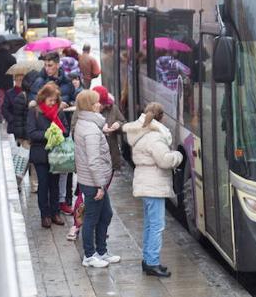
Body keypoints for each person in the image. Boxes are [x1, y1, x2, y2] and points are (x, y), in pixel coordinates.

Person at [123, 102, 183, 277]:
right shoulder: (154, 137)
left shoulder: (140, 132)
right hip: (154, 185)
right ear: (161, 117)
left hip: (145, 182)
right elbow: (164, 160)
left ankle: (148, 259)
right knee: (157, 225)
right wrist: (178, 156)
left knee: (150, 225)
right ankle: (153, 262)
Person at [72, 90, 121, 268]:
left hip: (93, 180)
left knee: (105, 214)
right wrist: (101, 185)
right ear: (89, 106)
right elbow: (93, 161)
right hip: (93, 182)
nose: (99, 104)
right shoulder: (91, 130)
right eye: (96, 102)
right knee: (92, 218)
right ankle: (89, 255)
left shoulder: (87, 123)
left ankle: (101, 251)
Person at [27, 82, 70, 228]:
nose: (53, 103)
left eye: (55, 100)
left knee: (55, 185)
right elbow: (31, 133)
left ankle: (55, 213)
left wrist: (58, 133)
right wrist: (47, 134)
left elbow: (66, 131)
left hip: (56, 154)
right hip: (40, 154)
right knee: (43, 185)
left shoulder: (59, 112)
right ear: (43, 98)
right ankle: (44, 215)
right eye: (50, 100)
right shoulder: (34, 112)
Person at [13, 70, 39, 193]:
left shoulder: (37, 97)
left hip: (34, 135)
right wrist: (20, 137)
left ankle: (35, 186)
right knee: (23, 161)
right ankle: (16, 182)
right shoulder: (21, 97)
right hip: (25, 137)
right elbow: (17, 120)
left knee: (34, 162)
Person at [92, 86, 126, 171]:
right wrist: (101, 130)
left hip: (112, 155)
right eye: (101, 104)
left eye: (104, 104)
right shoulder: (86, 112)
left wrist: (118, 125)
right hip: (95, 158)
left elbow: (124, 123)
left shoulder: (112, 108)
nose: (103, 106)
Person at [0, 44, 16, 119]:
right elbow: (14, 68)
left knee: (1, 98)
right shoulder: (11, 58)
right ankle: (9, 113)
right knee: (9, 97)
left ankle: (1, 114)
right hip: (8, 81)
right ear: (7, 47)